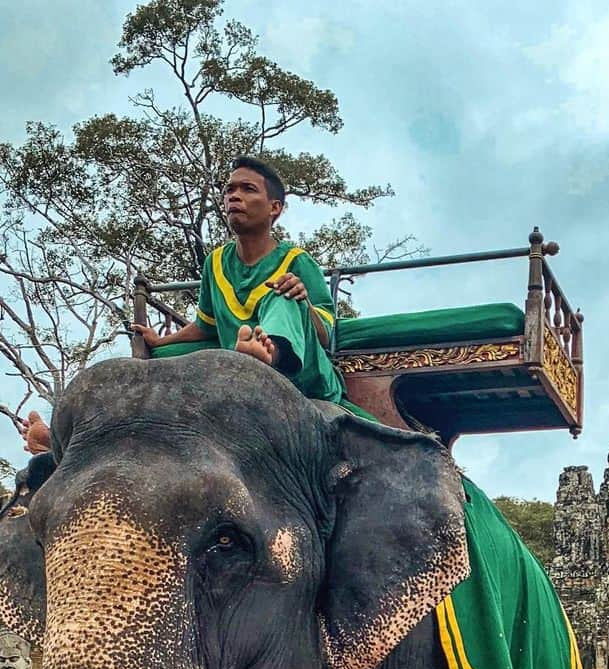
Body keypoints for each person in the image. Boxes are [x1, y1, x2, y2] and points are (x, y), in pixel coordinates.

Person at [21, 155, 368, 456]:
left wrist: (303, 300)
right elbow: (205, 327)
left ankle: (267, 353)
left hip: (301, 371)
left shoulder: (297, 260)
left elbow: (325, 335)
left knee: (282, 293)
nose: (234, 196)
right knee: (142, 369)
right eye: (230, 189)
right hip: (234, 357)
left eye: (248, 189)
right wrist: (161, 343)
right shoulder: (215, 263)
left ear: (274, 208)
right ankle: (71, 436)